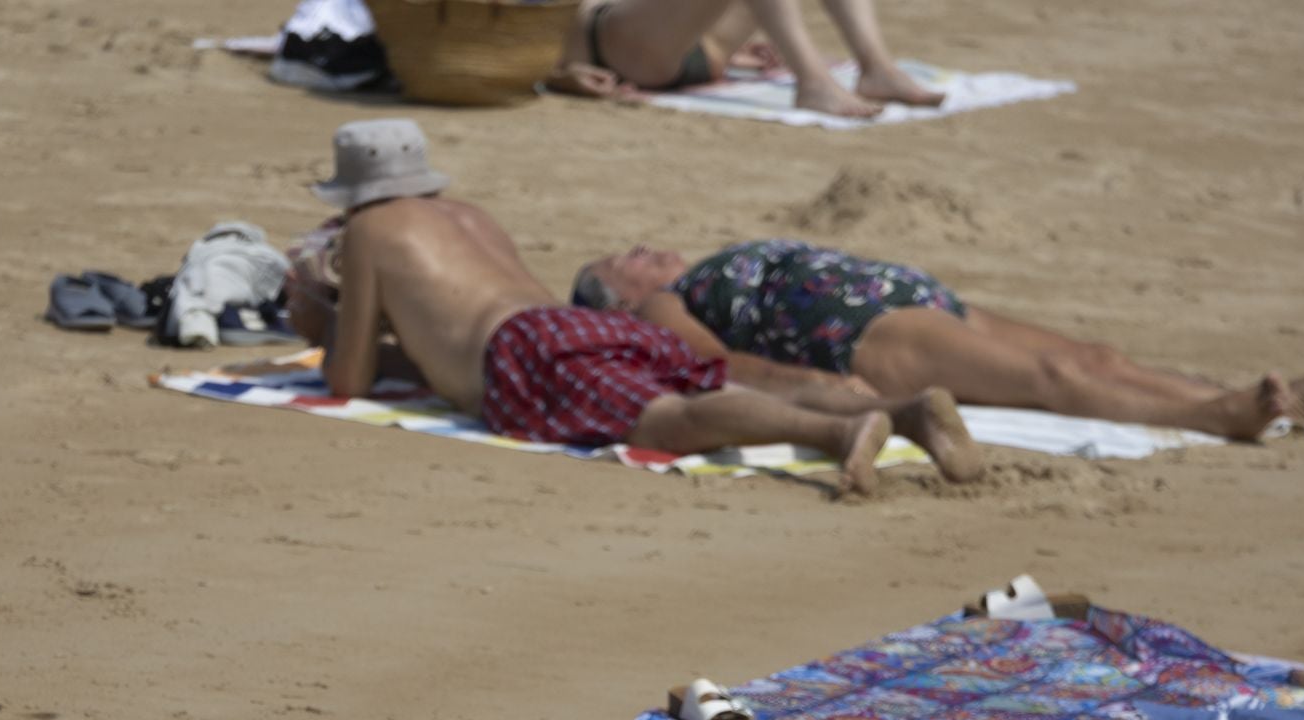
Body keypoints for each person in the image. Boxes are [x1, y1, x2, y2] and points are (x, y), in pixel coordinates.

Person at [285, 120, 982, 494]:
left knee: (669, 419)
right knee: (703, 382)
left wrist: (331, 308)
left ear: (352, 195)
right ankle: (907, 411)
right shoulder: (465, 215)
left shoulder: (369, 231)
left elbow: (349, 383)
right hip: (575, 323)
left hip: (523, 346)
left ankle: (844, 432)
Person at [573, 241, 1304, 441]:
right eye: (622, 261)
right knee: (1054, 376)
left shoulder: (691, 274)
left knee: (1095, 359)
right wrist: (812, 387)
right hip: (852, 331)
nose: (641, 250)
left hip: (898, 297)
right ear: (620, 300)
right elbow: (717, 363)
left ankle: (1266, 403)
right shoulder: (663, 307)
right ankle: (1217, 417)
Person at [552, 0, 942, 119]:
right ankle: (814, 83)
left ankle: (876, 69)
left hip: (697, 48)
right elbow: (500, 36)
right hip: (613, 44)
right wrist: (561, 74)